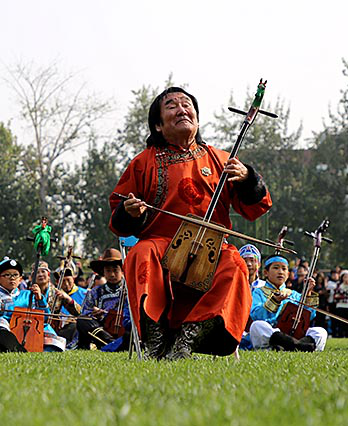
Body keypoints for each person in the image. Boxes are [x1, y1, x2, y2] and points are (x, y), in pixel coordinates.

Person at [109, 87, 272, 360]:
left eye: (187, 104)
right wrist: (130, 212)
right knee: (141, 253)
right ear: (158, 125)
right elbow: (118, 217)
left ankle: (188, 337)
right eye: (171, 106)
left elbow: (256, 208)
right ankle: (156, 341)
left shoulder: (221, 160)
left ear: (196, 118)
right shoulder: (142, 162)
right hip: (160, 245)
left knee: (235, 264)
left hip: (212, 247)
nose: (181, 109)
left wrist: (248, 179)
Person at [248, 255, 327, 352]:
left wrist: (308, 293)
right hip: (273, 332)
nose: (280, 272)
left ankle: (291, 345)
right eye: (276, 268)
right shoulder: (258, 292)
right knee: (257, 326)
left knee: (320, 332)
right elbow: (257, 316)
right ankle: (298, 346)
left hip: (295, 334)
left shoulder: (293, 294)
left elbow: (309, 317)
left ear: (288, 274)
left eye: (284, 269)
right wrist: (275, 301)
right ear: (266, 272)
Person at [0, 257, 49, 352]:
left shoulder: (29, 295)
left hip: (28, 332)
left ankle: (18, 346)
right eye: (7, 275)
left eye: (15, 275)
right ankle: (14, 346)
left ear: (20, 279)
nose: (12, 278)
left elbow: (45, 318)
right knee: (0, 324)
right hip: (1, 332)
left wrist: (40, 299)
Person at [77, 248, 131, 351]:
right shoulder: (95, 292)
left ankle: (114, 345)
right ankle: (111, 343)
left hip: (124, 330)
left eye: (115, 270)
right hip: (103, 331)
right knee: (82, 321)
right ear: (103, 272)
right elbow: (85, 313)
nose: (112, 274)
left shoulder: (130, 290)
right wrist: (95, 314)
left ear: (122, 271)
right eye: (108, 271)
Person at [333, 270, 348, 337]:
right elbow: (336, 295)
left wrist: (342, 295)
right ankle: (340, 335)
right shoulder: (338, 285)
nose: (346, 278)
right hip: (340, 306)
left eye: (347, 276)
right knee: (340, 322)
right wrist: (345, 295)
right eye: (344, 276)